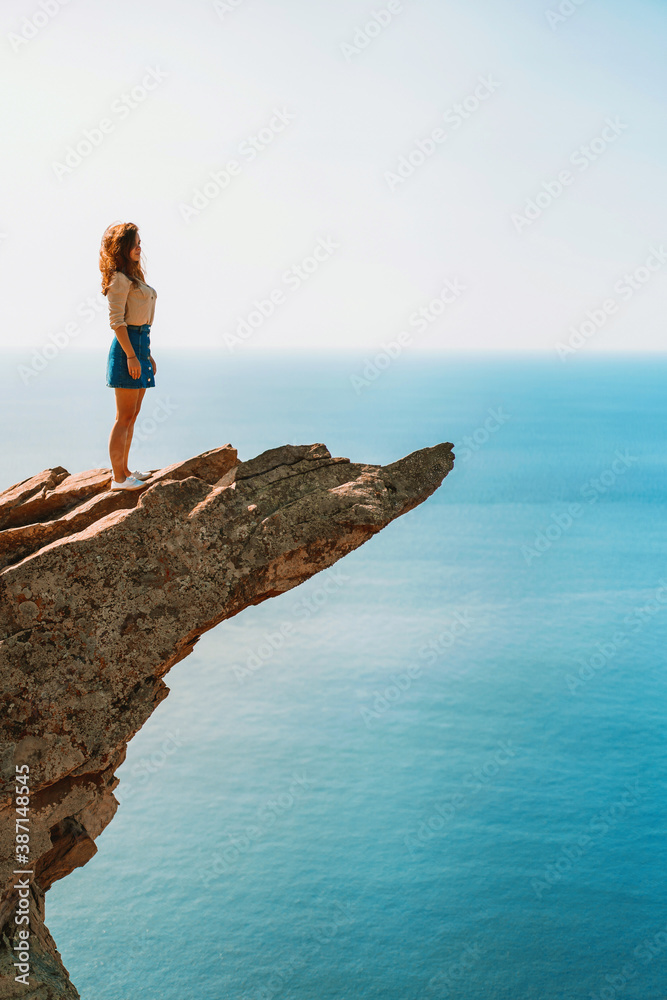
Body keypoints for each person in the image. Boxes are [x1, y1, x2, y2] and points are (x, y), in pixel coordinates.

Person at [100, 222, 158, 490]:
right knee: (123, 416)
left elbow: (141, 322)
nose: (139, 247)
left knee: (132, 415)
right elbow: (117, 322)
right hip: (127, 348)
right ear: (121, 247)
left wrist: (147, 354)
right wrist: (133, 357)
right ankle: (118, 479)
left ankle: (125, 469)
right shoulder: (118, 280)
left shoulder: (133, 277)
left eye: (139, 242)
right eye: (134, 243)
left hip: (139, 345)